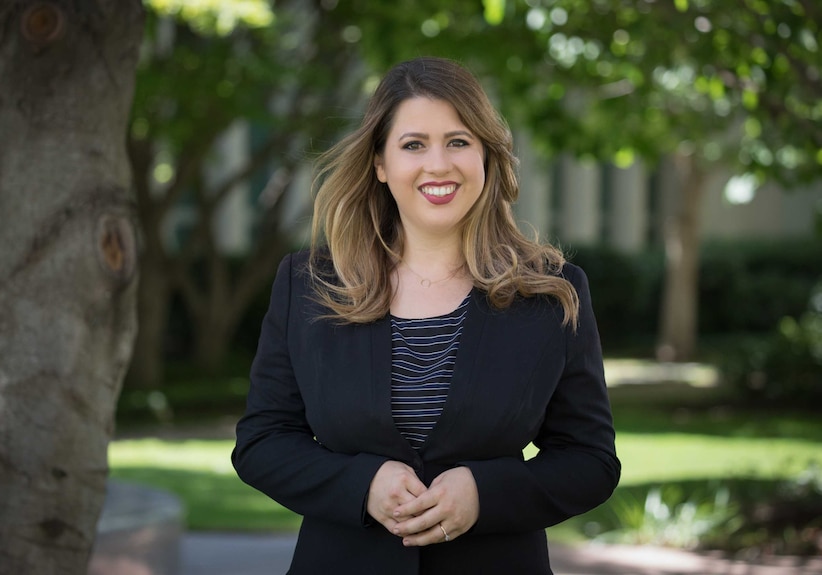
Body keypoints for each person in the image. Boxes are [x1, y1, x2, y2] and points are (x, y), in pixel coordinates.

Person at [232, 56, 620, 575]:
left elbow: (590, 461)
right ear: (380, 164)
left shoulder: (551, 294)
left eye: (458, 141)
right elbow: (262, 443)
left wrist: (485, 495)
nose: (438, 164)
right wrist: (361, 486)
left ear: (486, 155)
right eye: (413, 145)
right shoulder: (307, 286)